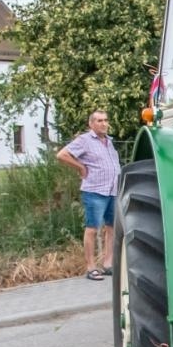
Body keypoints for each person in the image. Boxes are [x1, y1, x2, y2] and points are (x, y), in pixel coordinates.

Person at [57, 109, 122, 280]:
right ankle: (91, 267)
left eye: (106, 120)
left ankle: (108, 264)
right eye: (99, 120)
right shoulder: (85, 140)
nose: (104, 123)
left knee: (112, 227)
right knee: (93, 229)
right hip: (95, 190)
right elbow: (62, 155)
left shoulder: (109, 141)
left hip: (112, 190)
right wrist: (80, 167)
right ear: (91, 124)